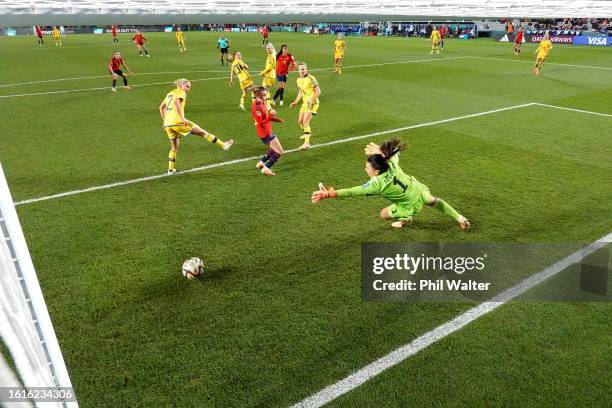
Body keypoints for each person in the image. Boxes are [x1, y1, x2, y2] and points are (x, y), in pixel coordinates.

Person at [311, 138, 470, 230]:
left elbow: (353, 191)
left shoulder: (377, 185)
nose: (365, 169)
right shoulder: (391, 164)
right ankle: (460, 218)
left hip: (410, 205)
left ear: (376, 171)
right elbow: (393, 151)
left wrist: (330, 194)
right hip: (417, 189)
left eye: (367, 168)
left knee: (383, 214)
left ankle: (406, 218)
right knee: (433, 201)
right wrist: (380, 151)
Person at [159, 79, 234, 175]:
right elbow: (176, 102)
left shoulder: (170, 93)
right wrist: (182, 118)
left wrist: (164, 121)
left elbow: (161, 107)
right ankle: (224, 145)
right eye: (187, 86)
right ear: (181, 85)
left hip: (168, 124)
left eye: (189, 87)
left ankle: (170, 170)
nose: (188, 89)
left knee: (174, 147)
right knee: (203, 132)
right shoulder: (180, 93)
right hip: (178, 122)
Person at [251, 87, 284, 176]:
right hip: (265, 133)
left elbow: (265, 118)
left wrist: (277, 120)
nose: (266, 97)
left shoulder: (262, 102)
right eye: (265, 95)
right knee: (280, 151)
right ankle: (267, 168)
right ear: (260, 95)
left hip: (267, 131)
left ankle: (261, 162)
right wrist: (271, 116)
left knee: (273, 148)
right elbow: (260, 122)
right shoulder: (256, 107)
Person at [290, 62, 320, 150]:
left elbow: (318, 91)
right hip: (304, 103)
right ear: (298, 70)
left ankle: (307, 143)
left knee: (305, 122)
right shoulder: (298, 79)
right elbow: (301, 92)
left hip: (312, 102)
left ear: (306, 69)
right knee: (300, 121)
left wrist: (312, 100)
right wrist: (295, 102)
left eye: (303, 69)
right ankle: (307, 132)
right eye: (300, 69)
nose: (301, 71)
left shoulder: (311, 78)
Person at [259, 43, 276, 109]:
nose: (268, 50)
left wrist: (263, 72)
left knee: (264, 90)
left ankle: (267, 105)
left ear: (272, 48)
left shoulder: (271, 56)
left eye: (269, 48)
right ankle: (267, 104)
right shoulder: (274, 54)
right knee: (266, 90)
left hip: (269, 75)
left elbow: (269, 68)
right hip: (272, 75)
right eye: (267, 48)